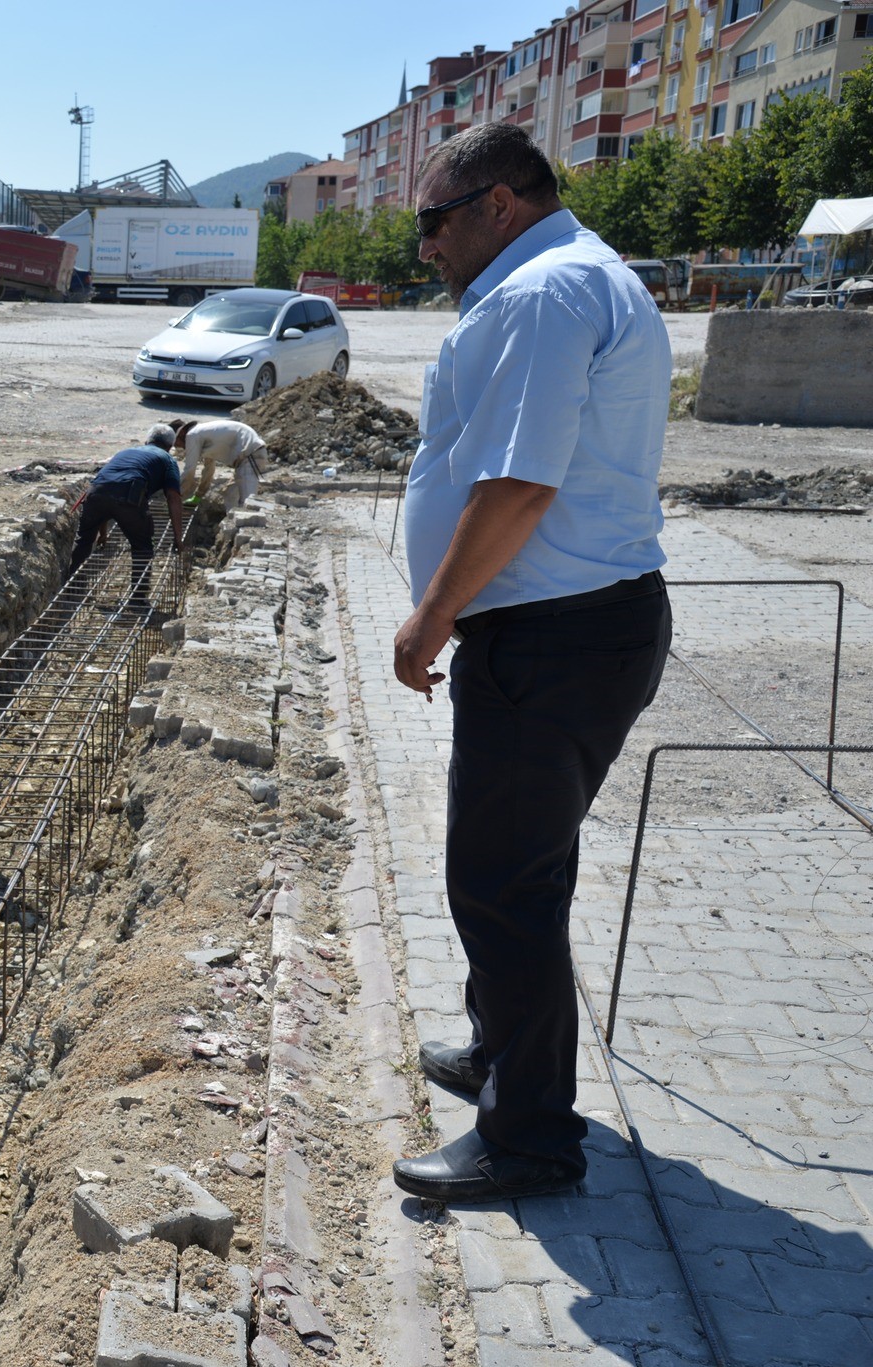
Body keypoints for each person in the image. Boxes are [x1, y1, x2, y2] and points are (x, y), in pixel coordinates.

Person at [387, 121, 673, 1203]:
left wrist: (430, 615)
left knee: (505, 884)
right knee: (511, 870)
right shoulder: (580, 274)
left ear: (497, 203)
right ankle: (496, 1047)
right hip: (581, 629)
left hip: (549, 640)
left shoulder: (541, 293)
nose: (424, 246)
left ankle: (528, 1139)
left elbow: (515, 486)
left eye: (433, 221)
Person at [66, 423, 187, 606]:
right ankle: (137, 599)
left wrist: (103, 532)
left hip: (95, 492)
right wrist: (178, 537)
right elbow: (173, 497)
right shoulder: (168, 460)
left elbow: (107, 487)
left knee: (83, 541)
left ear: (147, 440)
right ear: (169, 446)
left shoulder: (124, 452)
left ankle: (73, 592)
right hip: (129, 496)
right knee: (143, 547)